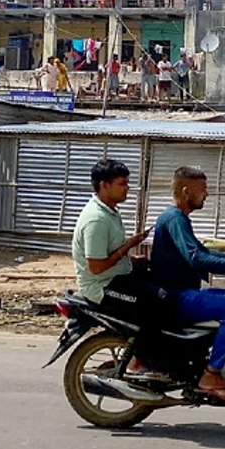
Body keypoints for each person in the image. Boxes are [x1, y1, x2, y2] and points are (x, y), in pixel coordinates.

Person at [150, 167, 225, 403]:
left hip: (184, 291)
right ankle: (211, 374)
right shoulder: (175, 218)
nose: (207, 194)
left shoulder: (178, 218)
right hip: (176, 296)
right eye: (203, 189)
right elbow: (197, 258)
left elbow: (203, 251)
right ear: (185, 191)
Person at [72, 158, 167, 377]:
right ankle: (139, 362)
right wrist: (128, 246)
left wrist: (132, 260)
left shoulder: (110, 212)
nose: (127, 188)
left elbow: (108, 253)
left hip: (116, 276)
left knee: (166, 288)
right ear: (104, 185)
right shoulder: (96, 219)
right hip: (102, 286)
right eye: (122, 184)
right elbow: (96, 267)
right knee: (157, 301)